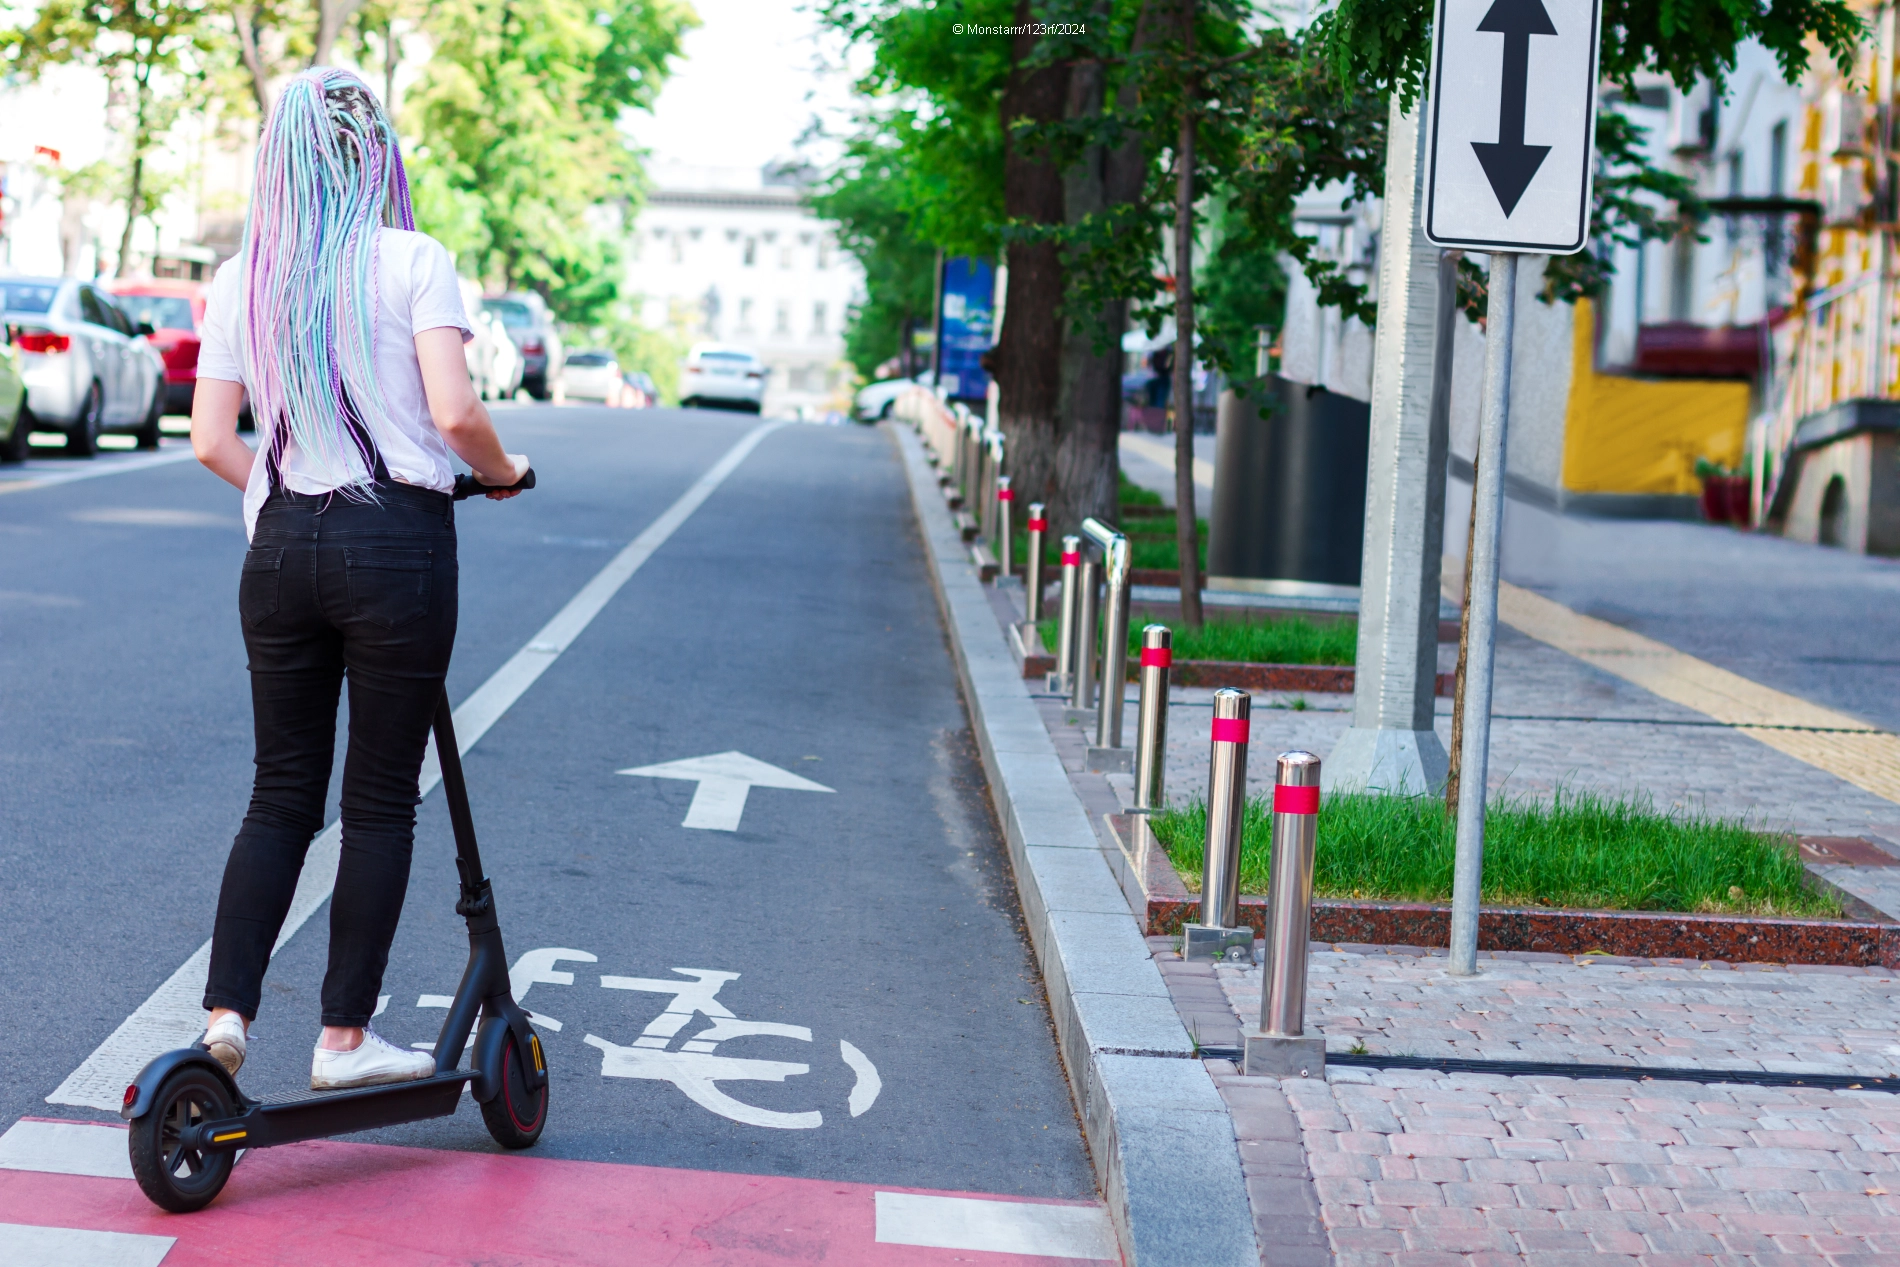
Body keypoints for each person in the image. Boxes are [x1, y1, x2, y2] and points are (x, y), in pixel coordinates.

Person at [188, 68, 528, 1091]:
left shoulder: (244, 274)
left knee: (279, 793)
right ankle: (341, 1036)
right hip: (396, 548)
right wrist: (504, 474)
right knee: (379, 796)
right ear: (376, 153)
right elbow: (458, 416)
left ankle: (224, 1018)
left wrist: (286, 497)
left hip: (281, 548)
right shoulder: (412, 260)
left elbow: (211, 439)